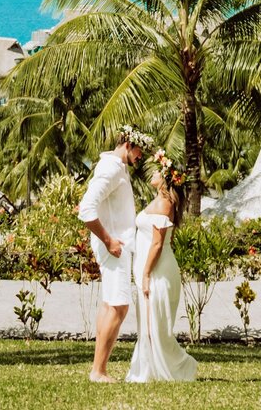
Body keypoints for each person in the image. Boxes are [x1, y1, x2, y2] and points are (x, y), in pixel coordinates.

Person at [78, 127, 149, 383]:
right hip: (114, 246)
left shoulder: (117, 166)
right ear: (129, 144)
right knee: (120, 305)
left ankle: (99, 368)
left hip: (115, 244)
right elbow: (86, 209)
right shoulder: (111, 169)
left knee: (110, 303)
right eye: (141, 151)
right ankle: (98, 371)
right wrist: (108, 241)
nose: (142, 157)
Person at [126, 151, 197, 384]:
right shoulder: (159, 201)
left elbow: (158, 243)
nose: (152, 173)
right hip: (154, 267)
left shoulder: (165, 203)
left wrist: (146, 274)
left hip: (157, 270)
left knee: (154, 325)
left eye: (157, 170)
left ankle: (181, 366)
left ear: (165, 177)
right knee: (149, 323)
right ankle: (148, 369)